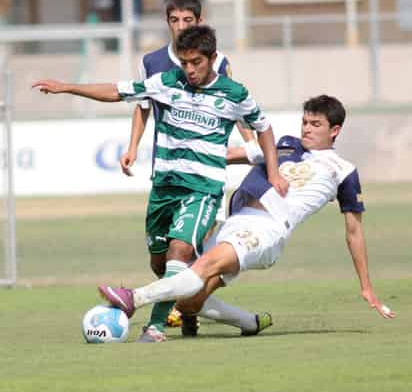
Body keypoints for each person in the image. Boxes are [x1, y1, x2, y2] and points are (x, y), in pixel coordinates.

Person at [32, 24, 288, 342]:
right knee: (161, 264)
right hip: (164, 189)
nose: (190, 69)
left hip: (202, 190)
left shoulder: (234, 94)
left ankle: (153, 326)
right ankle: (223, 315)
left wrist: (274, 173)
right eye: (185, 62)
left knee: (178, 254)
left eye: (197, 62)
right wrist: (67, 87)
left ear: (211, 58)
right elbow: (118, 91)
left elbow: (264, 128)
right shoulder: (167, 83)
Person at [98, 95, 396, 331]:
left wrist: (366, 287)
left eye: (315, 124)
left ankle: (133, 298)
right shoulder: (283, 145)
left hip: (266, 230)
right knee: (189, 303)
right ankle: (251, 323)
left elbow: (354, 230)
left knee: (200, 269)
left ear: (335, 130)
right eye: (305, 121)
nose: (306, 128)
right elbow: (229, 155)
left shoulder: (343, 171)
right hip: (234, 222)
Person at [120, 0, 257, 334]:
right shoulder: (152, 62)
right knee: (161, 258)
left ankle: (180, 318)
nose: (180, 26)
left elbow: (233, 102)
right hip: (166, 171)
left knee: (183, 249)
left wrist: (251, 145)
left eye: (188, 20)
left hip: (203, 173)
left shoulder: (218, 60)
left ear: (200, 20)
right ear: (167, 22)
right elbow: (142, 105)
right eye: (174, 20)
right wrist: (133, 146)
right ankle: (190, 303)